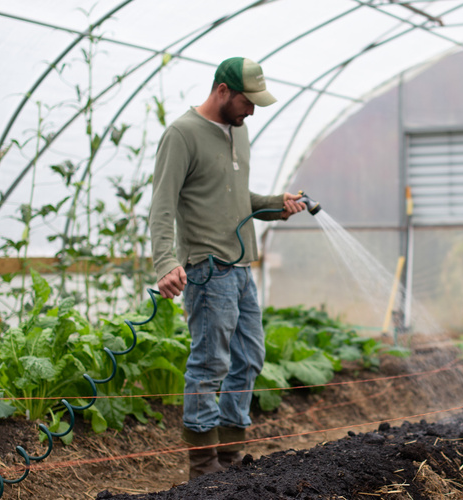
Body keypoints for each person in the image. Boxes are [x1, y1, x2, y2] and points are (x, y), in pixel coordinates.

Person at [148, 56, 306, 480]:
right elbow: (162, 207)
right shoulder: (182, 135)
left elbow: (238, 200)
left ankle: (231, 460)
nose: (252, 110)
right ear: (222, 91)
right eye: (247, 101)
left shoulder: (240, 131)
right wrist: (166, 262)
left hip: (240, 269)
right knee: (209, 363)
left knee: (250, 356)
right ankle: (203, 467)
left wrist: (278, 205)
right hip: (207, 269)